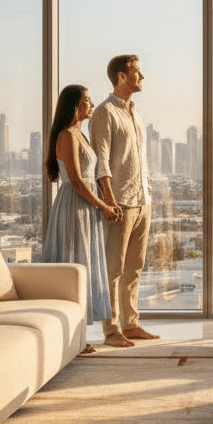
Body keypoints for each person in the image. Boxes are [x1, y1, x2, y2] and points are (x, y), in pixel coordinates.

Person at [43, 84, 123, 352]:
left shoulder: (80, 134)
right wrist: (103, 205)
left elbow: (90, 176)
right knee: (75, 266)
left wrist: (106, 203)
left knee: (84, 266)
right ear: (74, 106)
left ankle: (76, 338)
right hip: (75, 208)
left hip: (85, 208)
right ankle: (72, 340)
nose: (91, 104)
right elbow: (77, 181)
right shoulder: (67, 135)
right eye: (86, 100)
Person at [90, 54, 160, 347]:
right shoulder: (105, 112)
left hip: (142, 198)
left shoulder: (135, 111)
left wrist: (147, 193)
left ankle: (131, 324)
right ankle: (110, 330)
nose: (141, 77)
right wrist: (109, 200)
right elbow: (101, 162)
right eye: (136, 72)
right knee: (113, 268)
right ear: (121, 76)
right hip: (120, 202)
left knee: (135, 266)